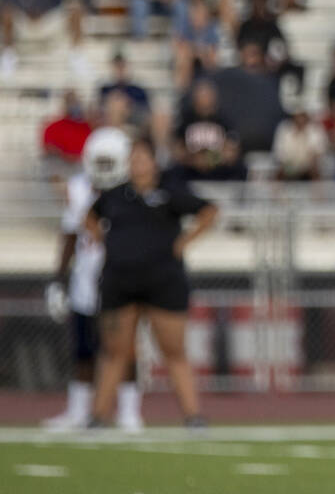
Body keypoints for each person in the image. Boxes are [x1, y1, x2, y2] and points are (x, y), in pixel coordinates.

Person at [86, 138, 217, 429]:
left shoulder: (170, 191)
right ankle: (97, 416)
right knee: (115, 352)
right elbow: (89, 217)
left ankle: (193, 416)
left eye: (142, 158)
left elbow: (209, 211)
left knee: (173, 350)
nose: (137, 164)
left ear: (153, 162)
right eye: (133, 159)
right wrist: (105, 242)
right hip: (120, 282)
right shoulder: (115, 195)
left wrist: (185, 242)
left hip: (163, 282)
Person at [43, 128, 143, 432]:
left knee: (125, 348)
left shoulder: (135, 192)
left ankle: (129, 412)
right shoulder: (78, 188)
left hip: (123, 280)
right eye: (98, 162)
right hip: (86, 281)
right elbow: (70, 237)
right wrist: (58, 281)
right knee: (84, 348)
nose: (103, 170)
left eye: (108, 162)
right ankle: (77, 411)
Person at [172, 79, 246, 182]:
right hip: (191, 169)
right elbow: (177, 150)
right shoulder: (186, 120)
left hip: (219, 169)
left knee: (240, 167)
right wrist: (193, 160)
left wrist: (210, 159)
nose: (204, 100)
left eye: (207, 96)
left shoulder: (224, 120)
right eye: (201, 95)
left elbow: (232, 151)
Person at [271, 101, 328, 181]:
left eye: (303, 115)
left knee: (316, 168)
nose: (300, 118)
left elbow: (318, 152)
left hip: (309, 168)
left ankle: (317, 191)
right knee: (278, 171)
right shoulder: (284, 129)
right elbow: (280, 154)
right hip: (289, 167)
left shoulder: (315, 130)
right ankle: (277, 191)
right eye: (298, 115)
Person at [42, 91, 92, 165]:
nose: (73, 105)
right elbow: (50, 151)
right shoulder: (52, 128)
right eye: (70, 102)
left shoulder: (87, 128)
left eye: (75, 102)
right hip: (60, 169)